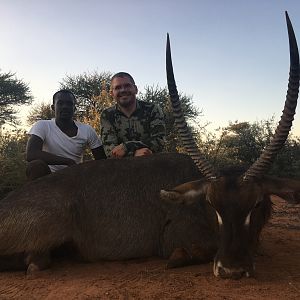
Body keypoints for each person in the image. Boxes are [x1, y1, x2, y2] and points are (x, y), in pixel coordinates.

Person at [26, 89, 106, 180]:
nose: (65, 107)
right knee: (35, 166)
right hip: (48, 176)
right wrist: (67, 162)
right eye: (60, 103)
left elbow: (101, 159)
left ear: (74, 109)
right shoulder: (42, 125)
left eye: (69, 104)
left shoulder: (87, 130)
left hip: (75, 175)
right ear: (53, 107)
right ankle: (38, 193)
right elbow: (31, 154)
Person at [100, 72, 166, 158]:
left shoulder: (152, 109)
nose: (123, 90)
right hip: (121, 167)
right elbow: (110, 150)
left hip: (150, 162)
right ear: (112, 93)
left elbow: (159, 141)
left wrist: (127, 147)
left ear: (135, 89)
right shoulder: (107, 115)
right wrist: (133, 154)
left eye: (127, 86)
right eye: (118, 87)